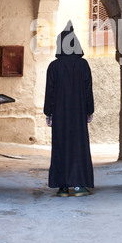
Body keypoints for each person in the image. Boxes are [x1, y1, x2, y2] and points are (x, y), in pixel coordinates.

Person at [44, 22, 94, 197]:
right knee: (78, 146)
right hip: (78, 114)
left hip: (60, 114)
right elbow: (88, 89)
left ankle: (63, 187)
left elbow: (49, 91)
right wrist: (89, 110)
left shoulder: (54, 67)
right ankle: (79, 185)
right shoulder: (83, 65)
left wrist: (48, 113)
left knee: (61, 145)